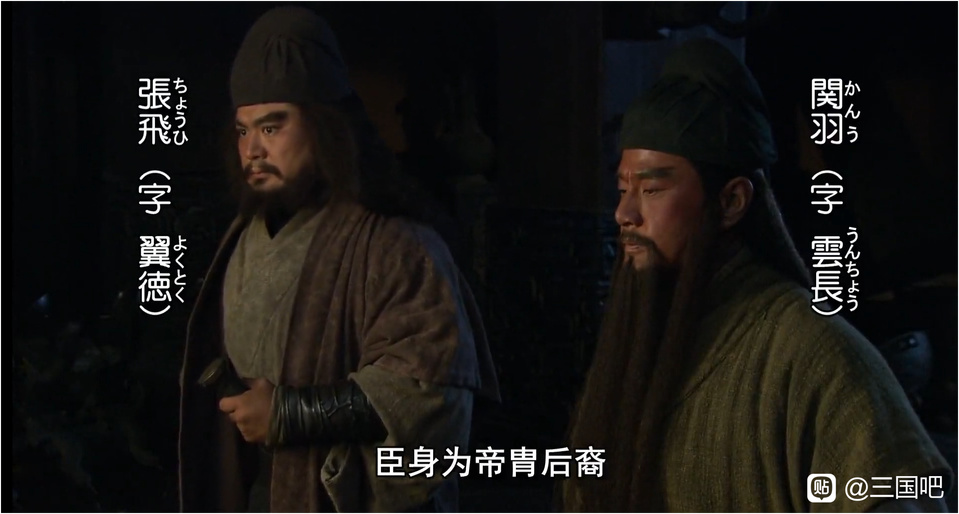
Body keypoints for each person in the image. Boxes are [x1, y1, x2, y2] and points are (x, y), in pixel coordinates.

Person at [560, 38, 952, 512]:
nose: (625, 213)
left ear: (731, 202)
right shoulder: (636, 344)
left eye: (652, 189)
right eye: (623, 188)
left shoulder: (817, 354)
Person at [177, 6, 499, 512]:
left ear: (324, 126)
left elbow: (429, 393)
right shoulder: (245, 236)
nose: (252, 150)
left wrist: (291, 414)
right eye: (243, 131)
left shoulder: (398, 244)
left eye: (272, 127)